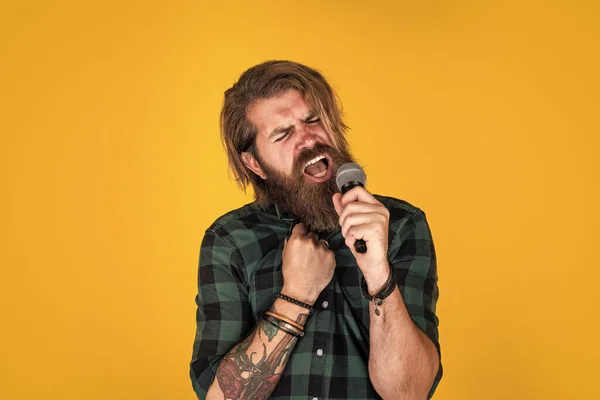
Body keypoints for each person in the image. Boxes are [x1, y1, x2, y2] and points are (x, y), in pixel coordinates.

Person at [189, 60, 442, 400]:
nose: (308, 139)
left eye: (313, 120)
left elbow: (409, 393)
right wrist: (296, 296)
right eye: (283, 134)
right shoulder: (231, 240)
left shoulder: (399, 225)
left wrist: (378, 273)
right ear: (254, 163)